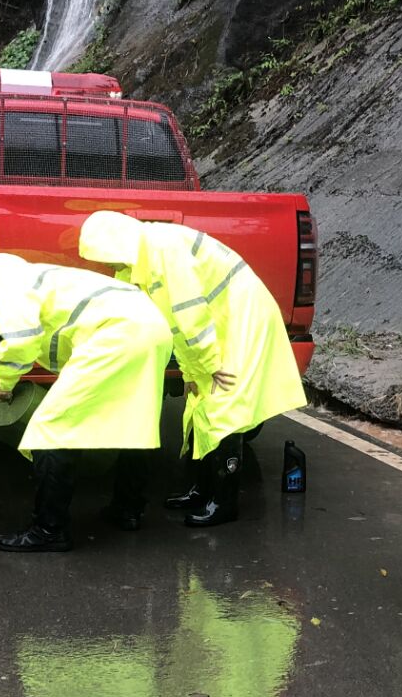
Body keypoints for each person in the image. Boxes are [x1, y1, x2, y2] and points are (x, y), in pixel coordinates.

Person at [77, 211, 306, 527]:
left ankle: (223, 502)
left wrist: (209, 367)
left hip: (242, 317)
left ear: (120, 246)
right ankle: (202, 490)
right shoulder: (141, 260)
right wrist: (191, 374)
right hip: (221, 320)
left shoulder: (165, 253)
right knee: (200, 403)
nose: (113, 268)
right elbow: (174, 325)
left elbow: (190, 317)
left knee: (226, 407)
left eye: (112, 260)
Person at [0, 252, 173, 553]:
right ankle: (128, 509)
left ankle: (48, 530)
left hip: (116, 335)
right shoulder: (49, 277)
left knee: (50, 428)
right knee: (133, 420)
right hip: (153, 330)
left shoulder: (9, 286)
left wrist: (4, 382)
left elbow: (21, 340)